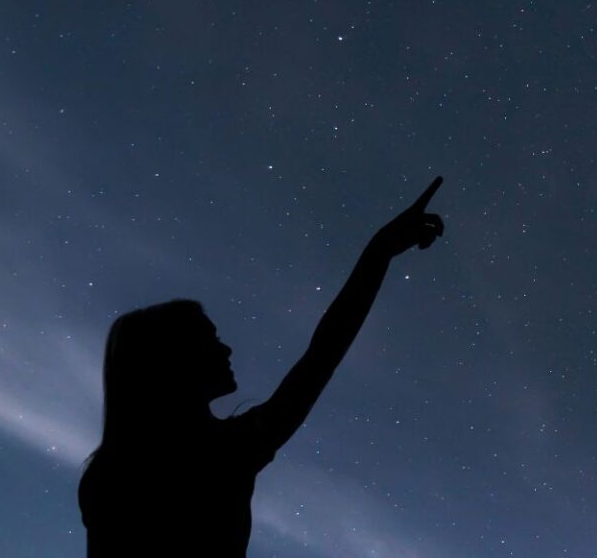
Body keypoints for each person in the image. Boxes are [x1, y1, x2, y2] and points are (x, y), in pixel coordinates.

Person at [78, 177, 445, 557]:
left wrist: (380, 251)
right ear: (173, 360)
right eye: (209, 339)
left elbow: (322, 355)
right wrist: (378, 251)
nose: (226, 348)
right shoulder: (223, 453)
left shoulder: (118, 470)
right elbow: (323, 355)